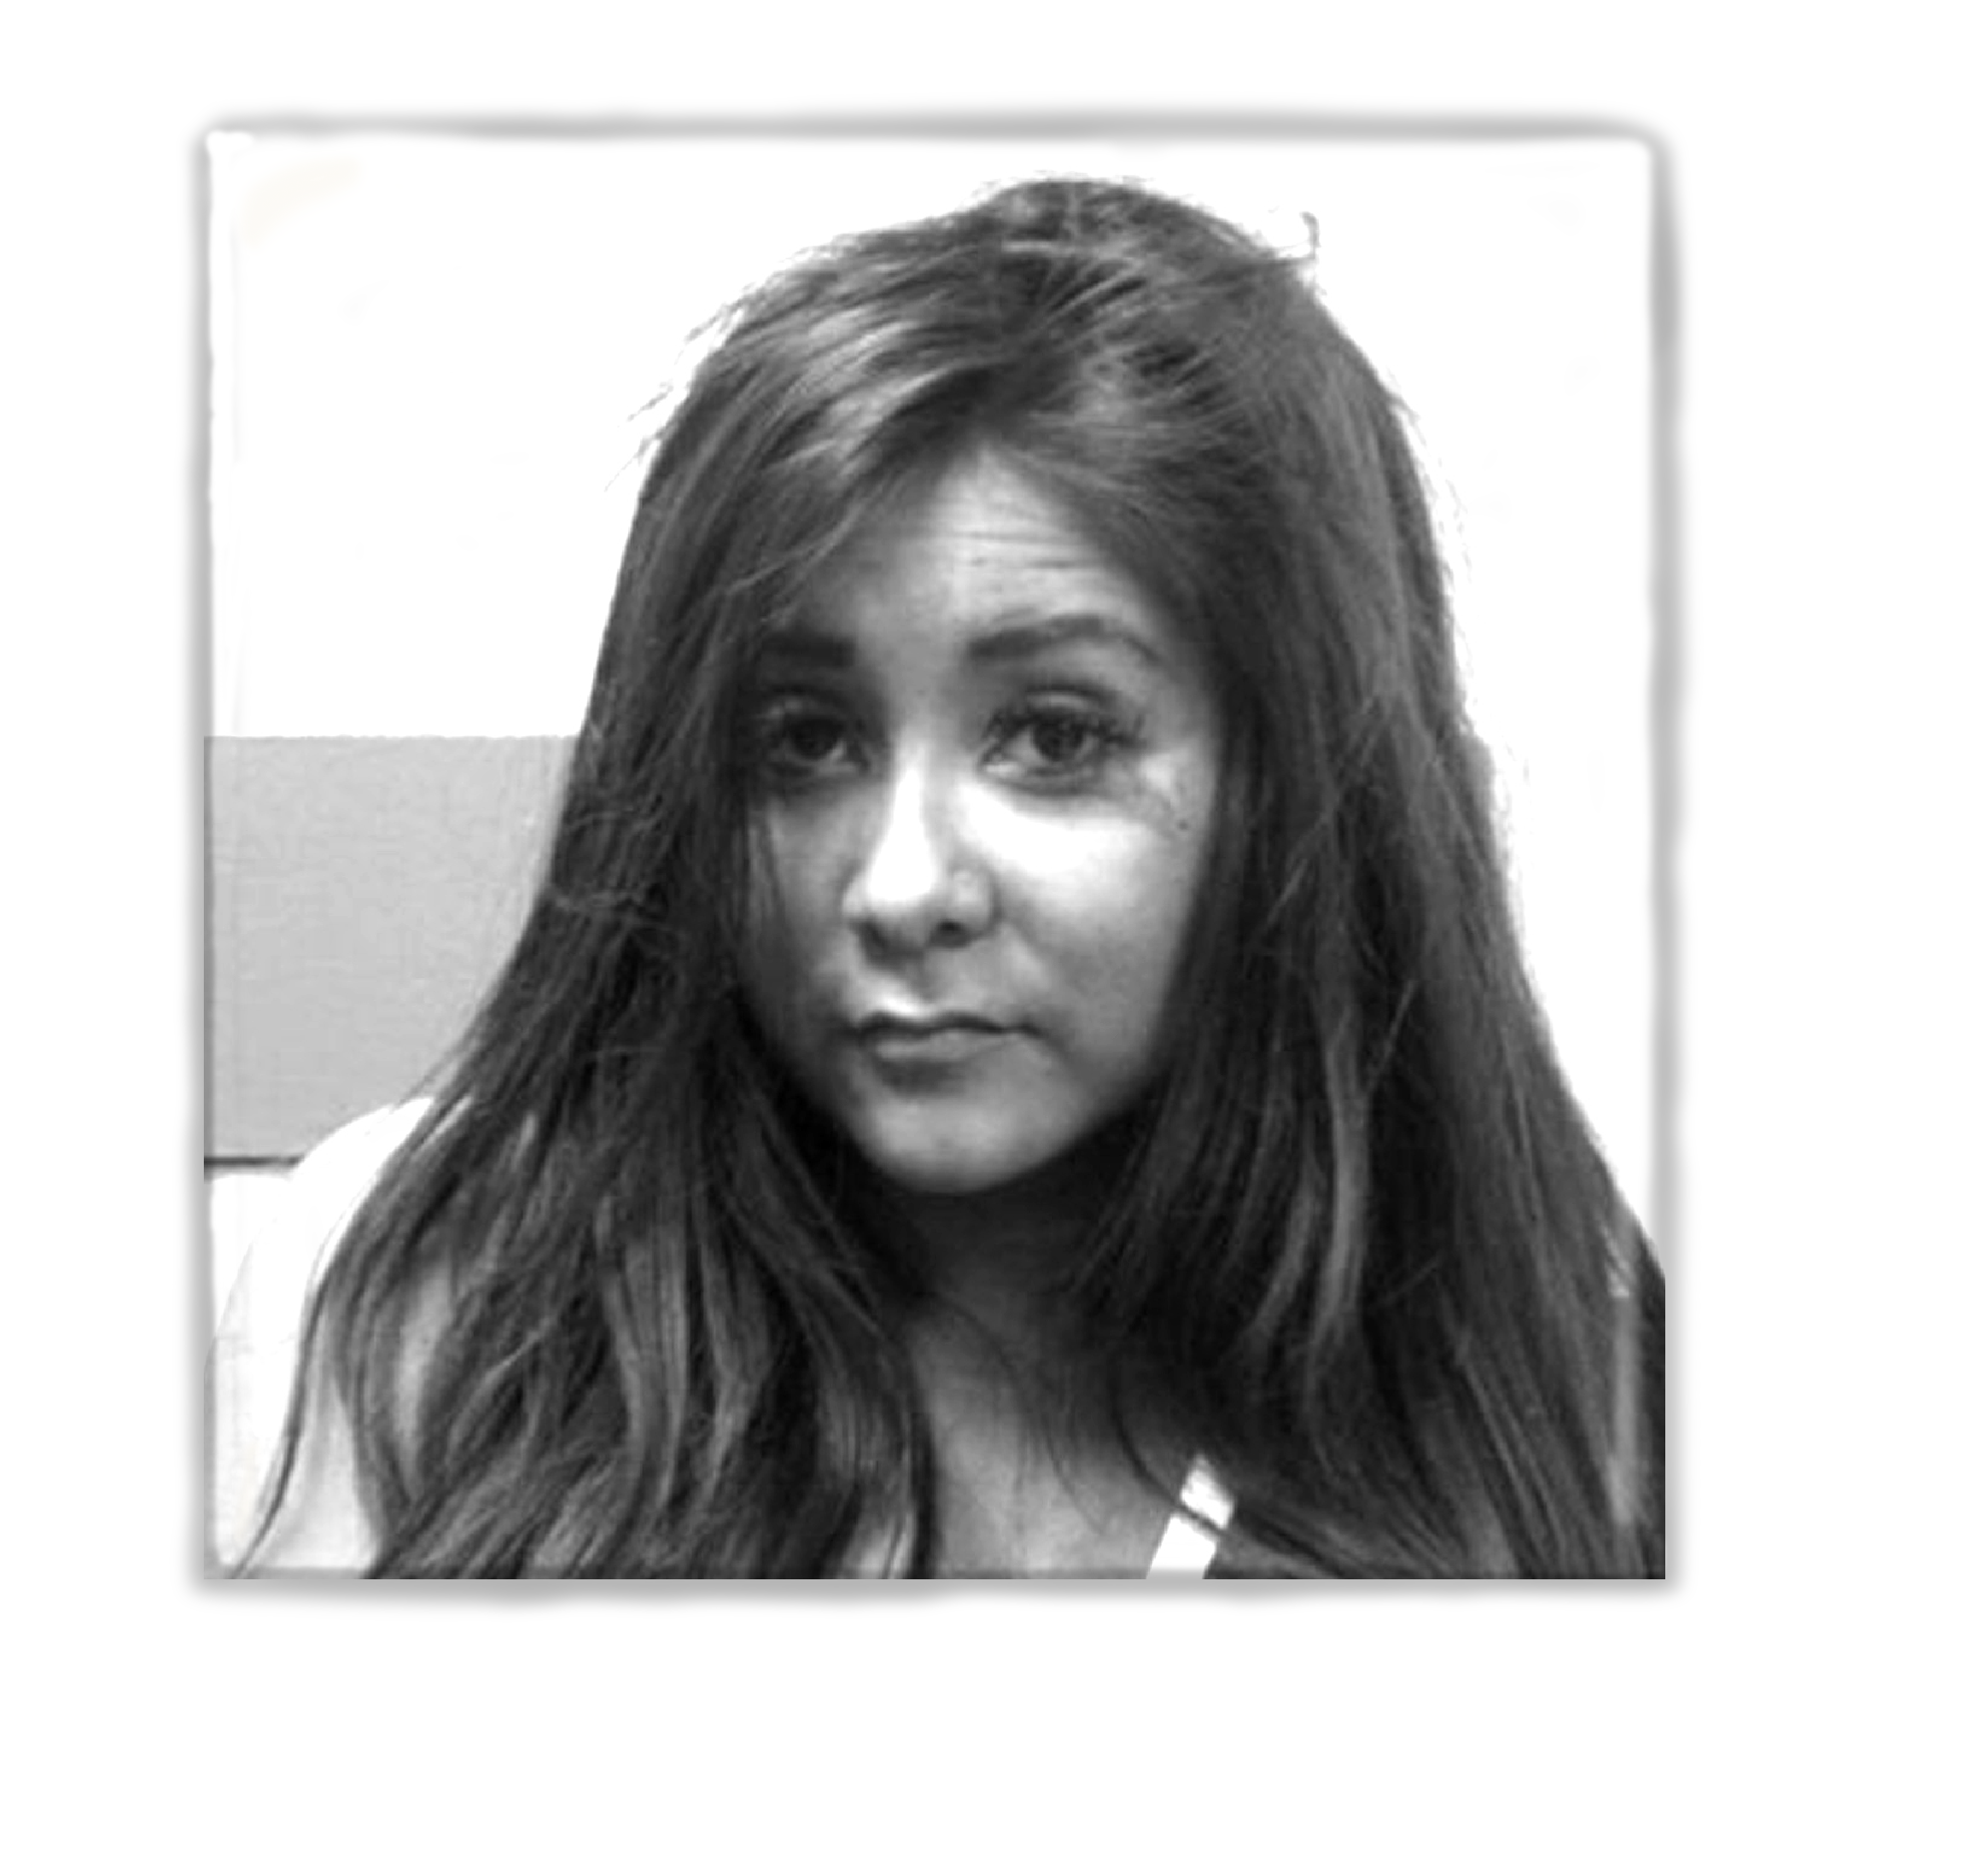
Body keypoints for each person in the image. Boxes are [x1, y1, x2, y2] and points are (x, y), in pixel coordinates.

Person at [218, 173, 1665, 1578]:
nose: (899, 888)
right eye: (803, 739)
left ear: (1297, 791)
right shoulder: (438, 1273)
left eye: (1057, 737)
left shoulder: (1555, 1376)